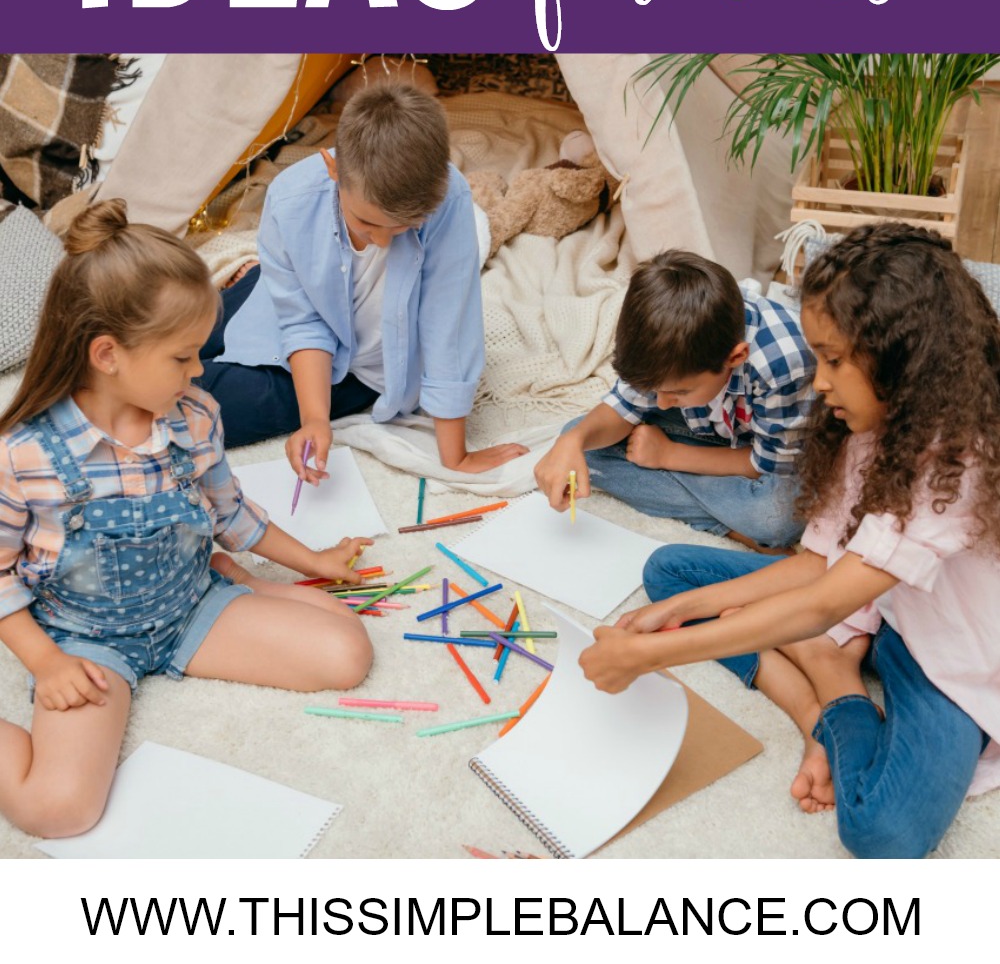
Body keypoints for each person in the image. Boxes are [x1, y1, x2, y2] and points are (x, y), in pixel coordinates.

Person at [579, 224, 1000, 859]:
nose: (819, 380)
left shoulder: (955, 461)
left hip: (954, 659)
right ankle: (814, 698)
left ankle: (834, 681)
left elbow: (822, 603)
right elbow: (813, 564)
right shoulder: (867, 423)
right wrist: (679, 612)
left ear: (900, 356)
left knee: (882, 834)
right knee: (670, 572)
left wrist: (654, 655)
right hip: (876, 608)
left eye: (832, 360)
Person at [0, 202, 373, 840]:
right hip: (89, 642)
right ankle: (241, 589)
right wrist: (46, 665)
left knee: (348, 651)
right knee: (54, 811)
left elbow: (229, 511)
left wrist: (312, 563)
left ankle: (243, 585)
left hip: (190, 606)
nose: (200, 372)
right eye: (183, 357)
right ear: (108, 354)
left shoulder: (194, 415)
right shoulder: (23, 454)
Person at [199, 81, 525, 482]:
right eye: (368, 222)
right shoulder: (290, 197)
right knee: (160, 336)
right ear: (333, 170)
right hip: (280, 302)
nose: (385, 240)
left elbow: (448, 327)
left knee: (188, 402)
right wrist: (316, 418)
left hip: (357, 365)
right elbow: (301, 318)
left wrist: (455, 456)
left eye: (406, 226)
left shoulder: (449, 200)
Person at [534, 251, 814, 550]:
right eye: (655, 391)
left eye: (678, 392)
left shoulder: (784, 366)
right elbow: (623, 406)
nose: (663, 403)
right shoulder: (662, 333)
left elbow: (766, 464)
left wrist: (669, 455)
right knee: (577, 444)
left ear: (735, 357)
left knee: (776, 517)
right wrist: (573, 441)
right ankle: (731, 520)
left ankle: (740, 525)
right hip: (712, 428)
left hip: (777, 453)